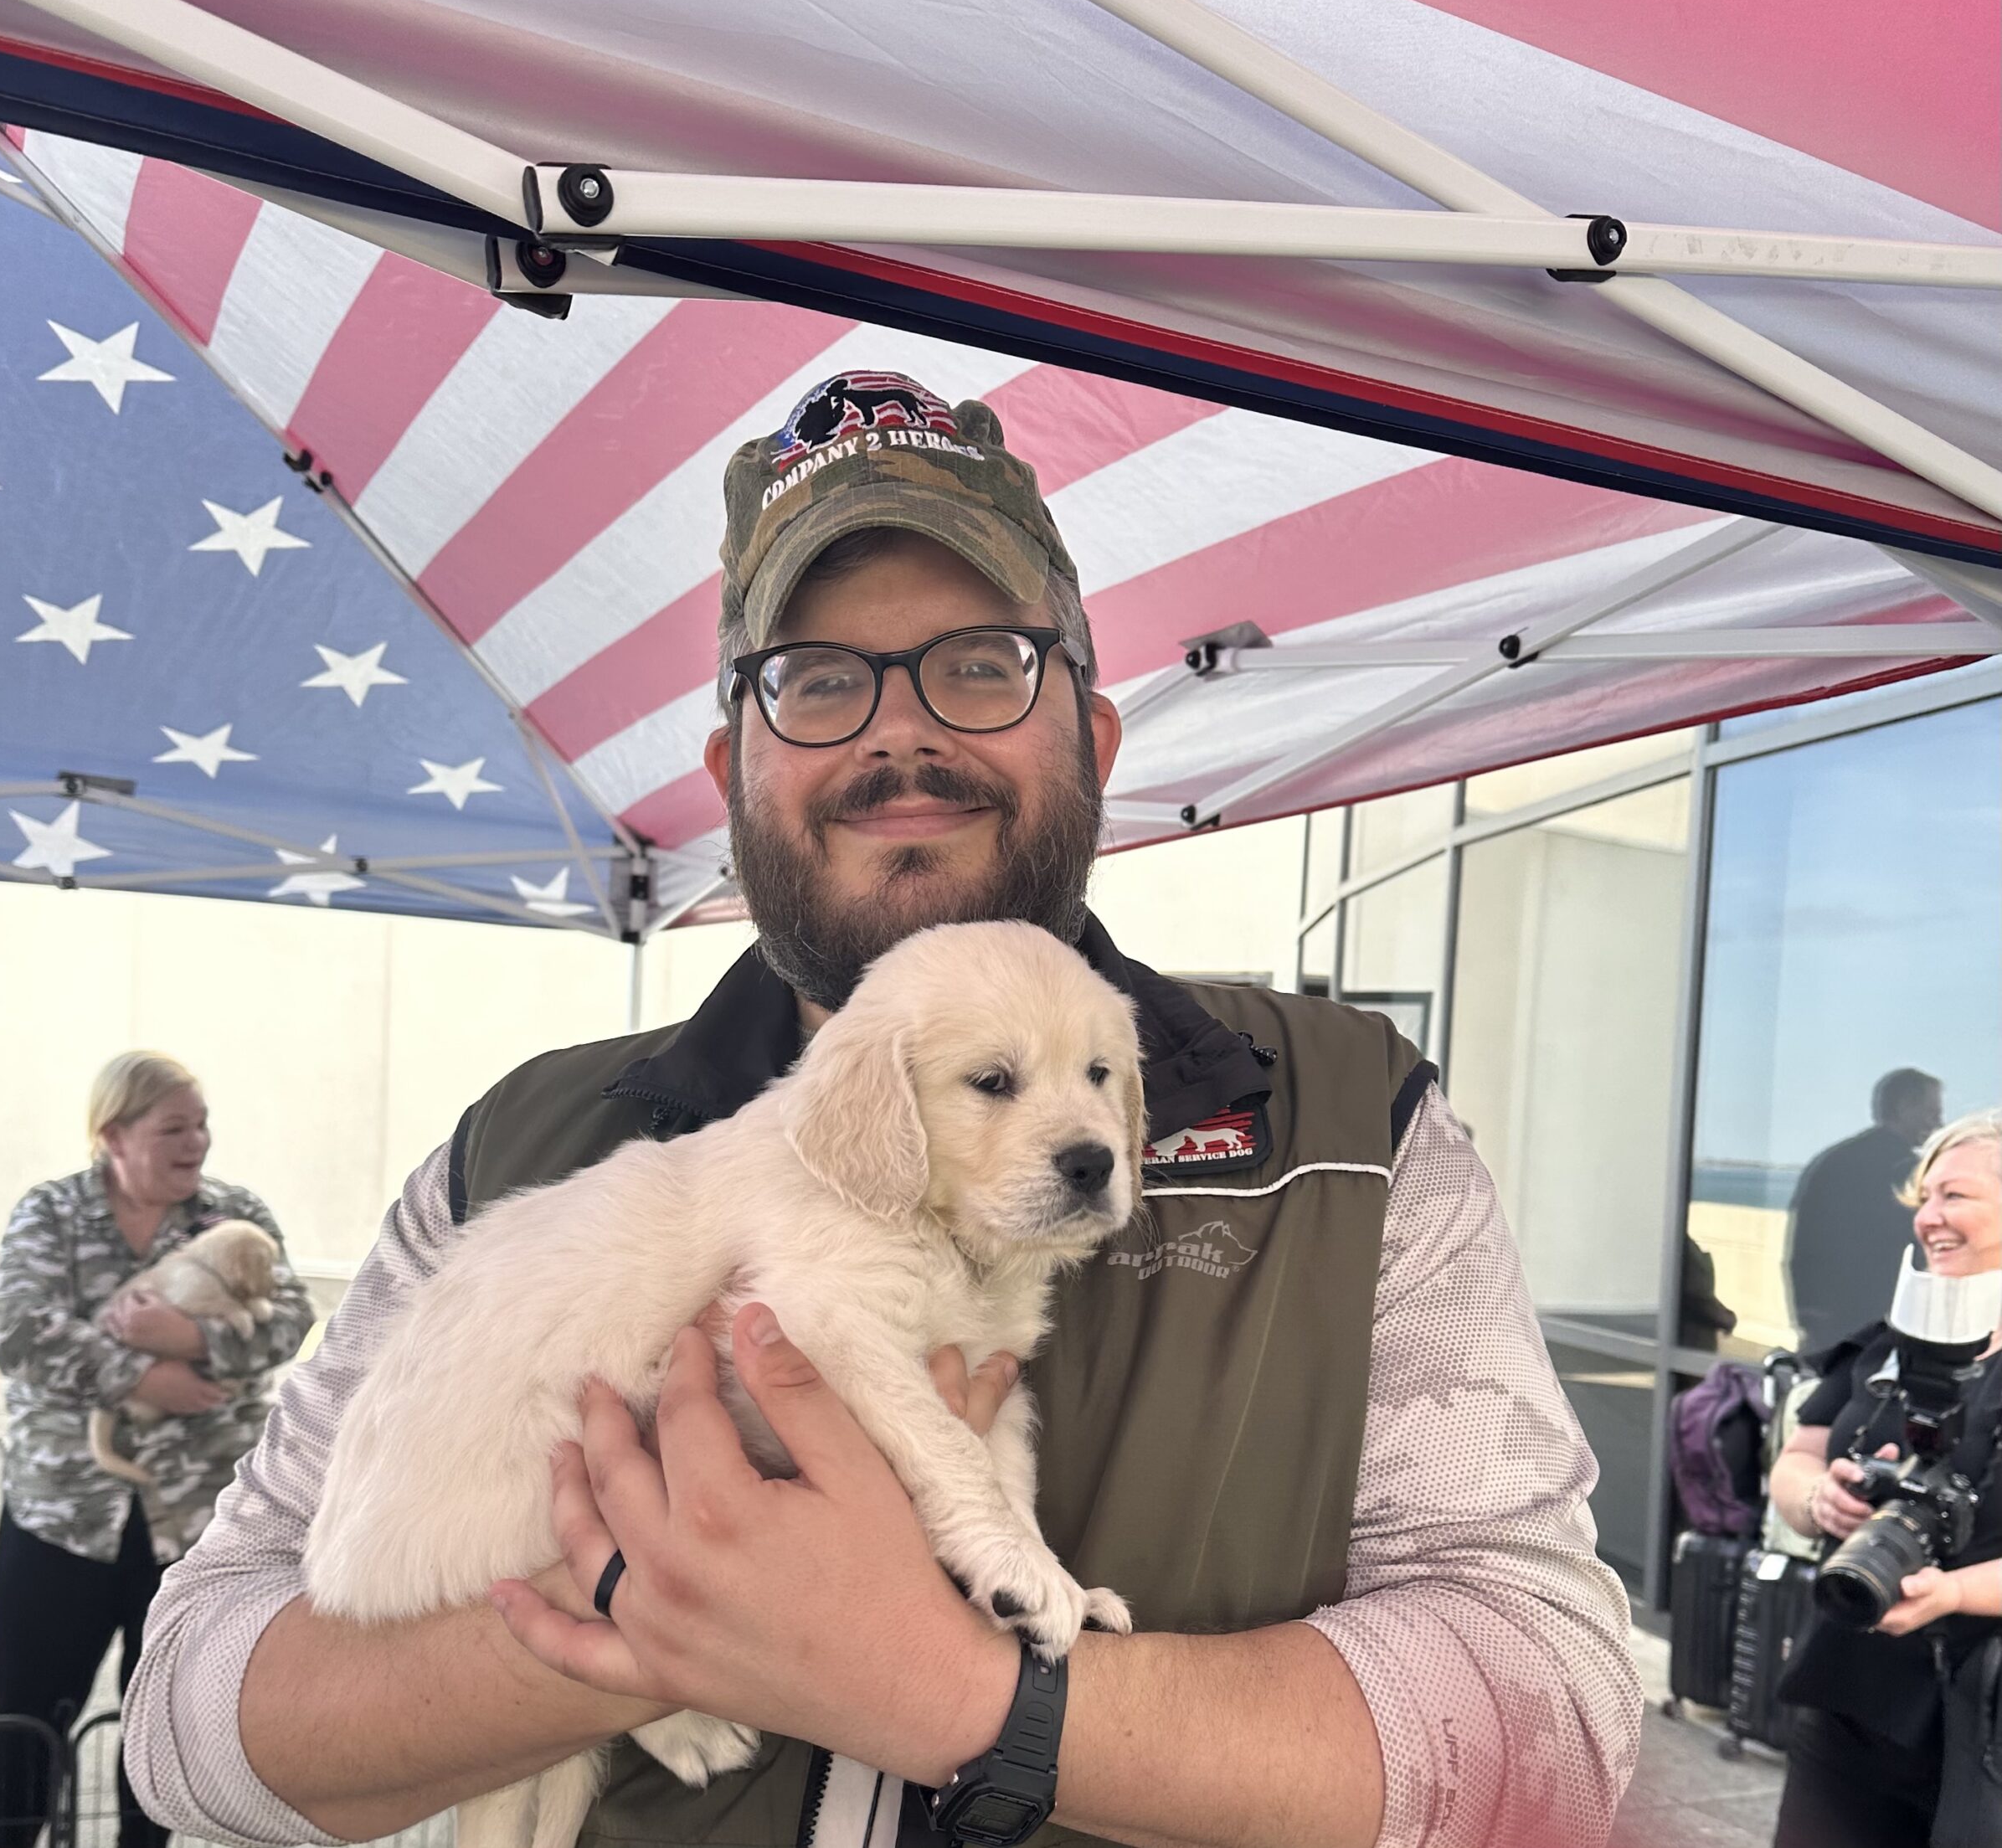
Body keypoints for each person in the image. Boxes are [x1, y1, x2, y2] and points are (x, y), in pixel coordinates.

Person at [125, 373, 1640, 1848]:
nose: (896, 736)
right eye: (817, 678)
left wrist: (963, 1693)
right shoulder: (519, 1145)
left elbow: (1559, 1715)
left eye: (983, 661)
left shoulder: (1348, 1125)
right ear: (734, 771)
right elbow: (192, 1714)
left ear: (1095, 740)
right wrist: (649, 1625)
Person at [0, 1051, 314, 1848]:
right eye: (174, 1127)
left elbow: (291, 1317)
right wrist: (147, 1374)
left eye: (201, 1123)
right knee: (30, 1713)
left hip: (198, 1523)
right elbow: (20, 1331)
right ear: (112, 1135)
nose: (197, 1141)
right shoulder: (52, 1213)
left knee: (163, 1713)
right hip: (62, 1517)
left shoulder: (233, 1214)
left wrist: (194, 1335)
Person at [1765, 1110, 2002, 1847]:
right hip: (1851, 1698)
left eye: (1955, 1196)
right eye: (1923, 1197)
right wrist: (1817, 1497)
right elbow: (1795, 1459)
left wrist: (1956, 1592)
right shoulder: (1884, 1346)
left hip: (1985, 1720)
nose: (1928, 1216)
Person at [1785, 1068, 1945, 1352]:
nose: (1939, 1123)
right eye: (1931, 1113)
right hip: (1874, 1326)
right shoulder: (1905, 1171)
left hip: (1825, 1320)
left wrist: (1809, 1311)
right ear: (1904, 1108)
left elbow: (1805, 1243)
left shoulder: (1832, 1161)